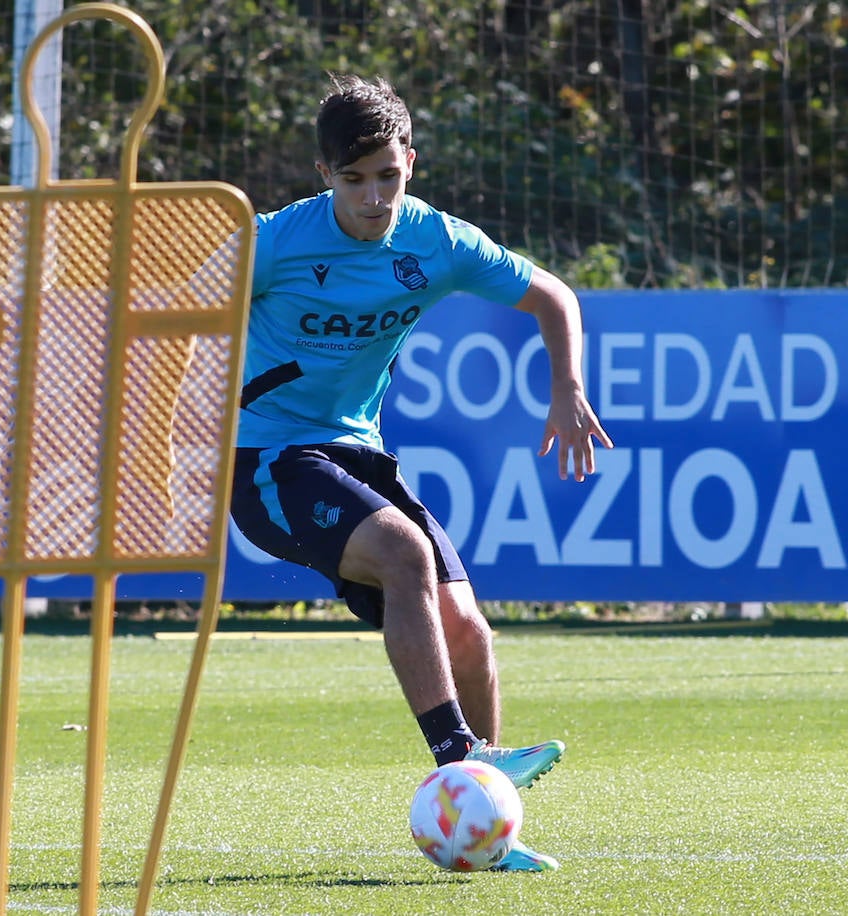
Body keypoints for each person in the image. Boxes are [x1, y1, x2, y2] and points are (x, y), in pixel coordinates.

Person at [229, 74, 613, 872]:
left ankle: (491, 830)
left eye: (388, 177)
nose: (373, 198)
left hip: (357, 451)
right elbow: (178, 316)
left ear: (411, 161)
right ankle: (461, 760)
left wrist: (568, 390)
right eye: (353, 179)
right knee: (403, 554)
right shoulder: (273, 241)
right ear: (324, 174)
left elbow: (553, 296)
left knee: (469, 632)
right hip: (267, 458)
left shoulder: (436, 241)